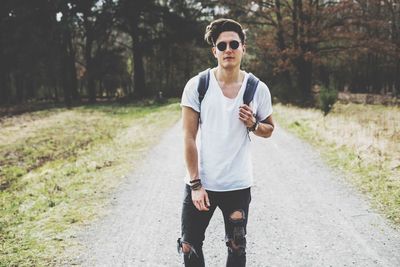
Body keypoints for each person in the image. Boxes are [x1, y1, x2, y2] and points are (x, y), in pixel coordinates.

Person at [177, 18, 275, 267]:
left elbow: (269, 129)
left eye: (234, 44)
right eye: (222, 46)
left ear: (244, 48)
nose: (228, 49)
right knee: (189, 246)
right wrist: (196, 183)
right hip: (203, 184)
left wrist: (253, 124)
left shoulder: (257, 88)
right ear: (214, 51)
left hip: (237, 186)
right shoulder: (198, 85)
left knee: (237, 247)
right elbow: (188, 137)